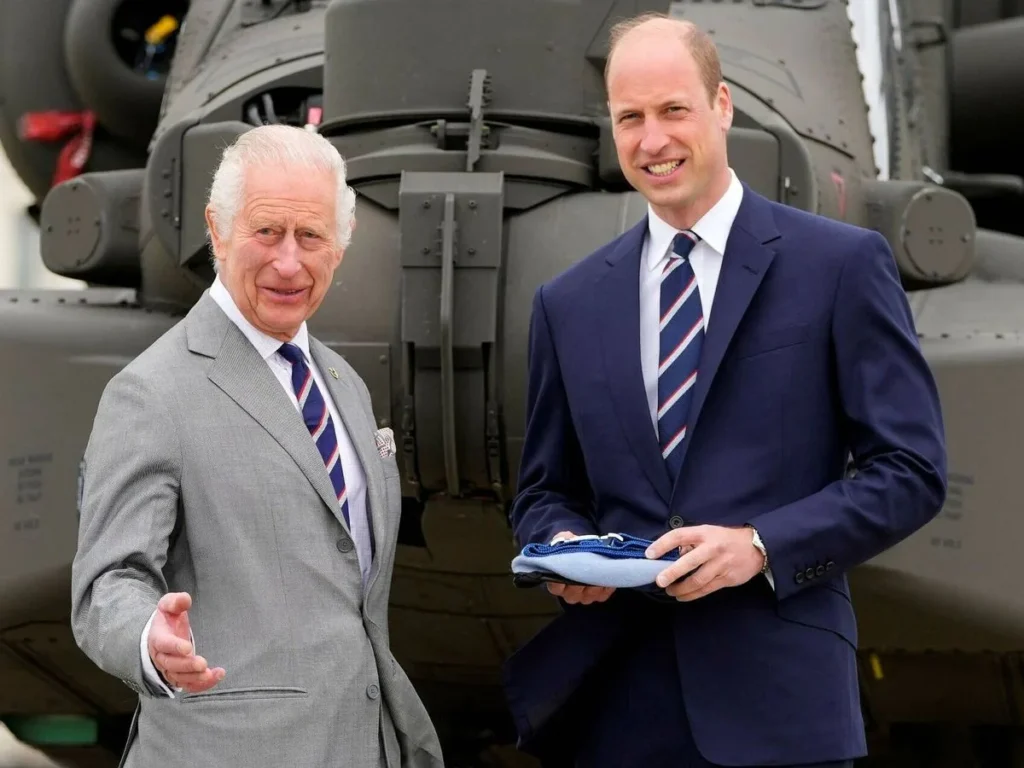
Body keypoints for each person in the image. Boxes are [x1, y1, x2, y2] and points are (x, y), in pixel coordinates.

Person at [502, 13, 946, 768]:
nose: (653, 140)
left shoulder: (840, 265)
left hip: (783, 713)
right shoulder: (568, 302)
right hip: (616, 713)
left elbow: (911, 471)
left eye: (673, 110)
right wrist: (565, 551)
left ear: (722, 105)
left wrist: (760, 547)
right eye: (630, 118)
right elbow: (545, 490)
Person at [70, 124, 444, 768]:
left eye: (311, 236)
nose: (289, 263)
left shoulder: (344, 385)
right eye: (267, 231)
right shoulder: (151, 392)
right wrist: (148, 639)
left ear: (341, 245)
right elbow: (109, 582)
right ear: (217, 231)